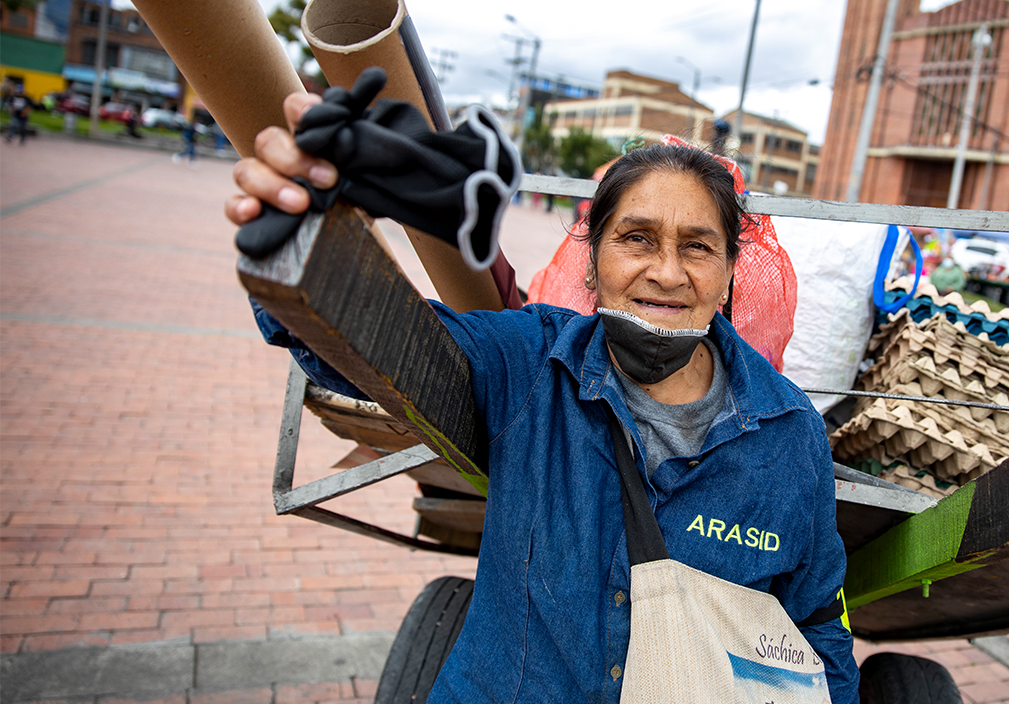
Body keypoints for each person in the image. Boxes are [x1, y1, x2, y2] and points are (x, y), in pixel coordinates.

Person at [226, 92, 859, 701]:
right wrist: (304, 244)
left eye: (697, 246)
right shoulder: (530, 361)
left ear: (728, 272)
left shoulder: (789, 433)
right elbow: (388, 342)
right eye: (636, 238)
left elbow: (816, 623)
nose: (667, 273)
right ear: (593, 263)